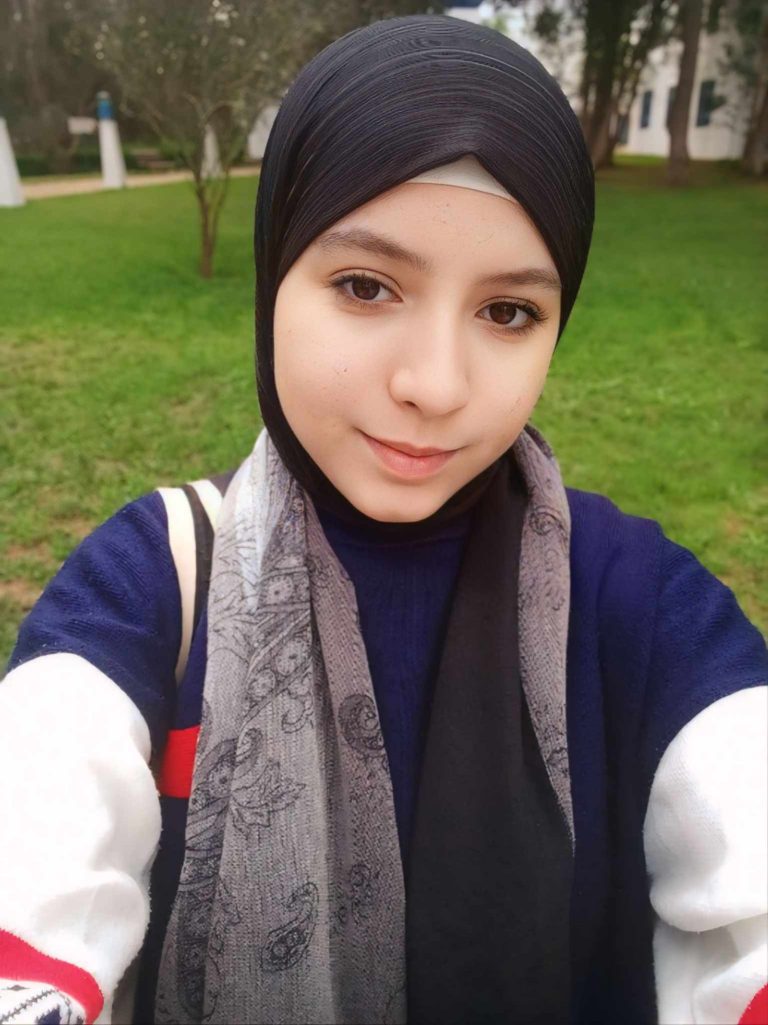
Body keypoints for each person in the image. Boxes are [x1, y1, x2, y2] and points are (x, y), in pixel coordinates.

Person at [1, 13, 766, 1025]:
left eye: (508, 312)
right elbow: (36, 839)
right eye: (366, 286)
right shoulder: (153, 586)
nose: (435, 385)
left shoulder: (638, 600)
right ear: (275, 276)